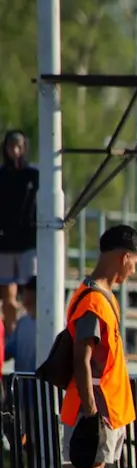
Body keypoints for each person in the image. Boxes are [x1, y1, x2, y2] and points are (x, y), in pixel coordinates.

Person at [61, 224, 137, 468]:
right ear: (124, 257)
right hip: (92, 405)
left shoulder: (101, 295)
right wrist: (93, 411)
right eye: (135, 262)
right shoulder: (94, 299)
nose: (134, 270)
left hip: (102, 404)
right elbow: (82, 355)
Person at [0, 129, 38, 334]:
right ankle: (11, 332)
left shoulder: (34, 175)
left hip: (28, 243)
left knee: (31, 292)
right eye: (10, 146)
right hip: (5, 243)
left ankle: (29, 329)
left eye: (19, 146)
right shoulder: (1, 175)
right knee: (8, 294)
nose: (15, 151)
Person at [4, 278, 36, 372]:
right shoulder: (22, 322)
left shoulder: (59, 324)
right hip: (23, 384)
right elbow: (7, 352)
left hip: (47, 384)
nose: (22, 294)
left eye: (25, 289)